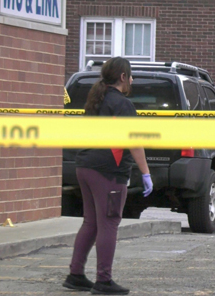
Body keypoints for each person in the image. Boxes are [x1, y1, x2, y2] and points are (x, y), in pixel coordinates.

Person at [62, 57, 153, 295]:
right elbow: (134, 141)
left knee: (91, 222)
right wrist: (145, 173)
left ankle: (76, 275)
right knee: (109, 223)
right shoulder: (122, 104)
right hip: (108, 171)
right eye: (130, 76)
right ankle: (103, 280)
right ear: (123, 77)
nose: (132, 80)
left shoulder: (95, 101)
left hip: (84, 166)